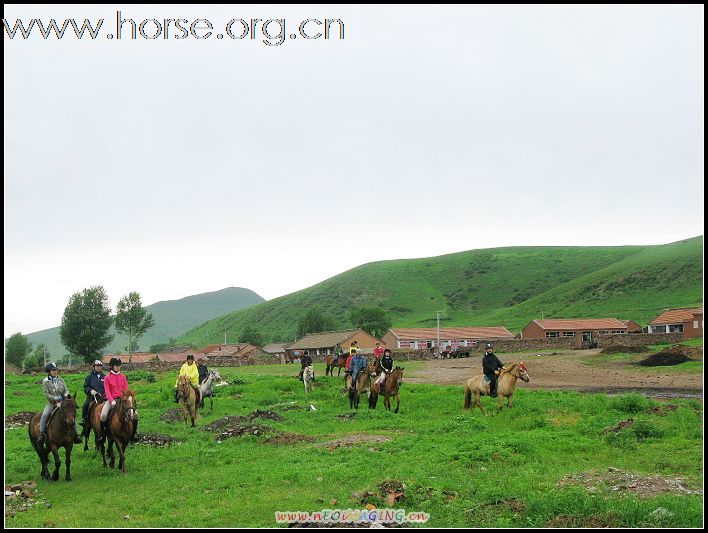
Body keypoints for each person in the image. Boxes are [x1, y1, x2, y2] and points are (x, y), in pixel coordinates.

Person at [38, 362, 81, 444]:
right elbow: (47, 394)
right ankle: (42, 433)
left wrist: (66, 395)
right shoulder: (45, 381)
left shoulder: (60, 379)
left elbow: (66, 390)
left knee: (72, 414)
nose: (55, 372)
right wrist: (55, 398)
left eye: (56, 370)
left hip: (63, 403)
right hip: (52, 403)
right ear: (49, 372)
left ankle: (76, 434)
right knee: (44, 414)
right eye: (53, 370)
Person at [100, 358, 139, 443]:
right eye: (117, 366)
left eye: (119, 365)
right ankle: (102, 435)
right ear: (112, 366)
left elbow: (126, 389)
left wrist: (127, 398)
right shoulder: (107, 377)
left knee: (135, 415)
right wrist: (111, 400)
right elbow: (107, 391)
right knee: (103, 415)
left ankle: (133, 434)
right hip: (112, 400)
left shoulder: (123, 377)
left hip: (123, 400)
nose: (118, 367)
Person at [80, 359, 105, 437]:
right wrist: (90, 390)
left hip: (103, 397)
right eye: (97, 366)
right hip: (92, 397)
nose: (98, 368)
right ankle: (85, 421)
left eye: (100, 366)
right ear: (93, 367)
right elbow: (85, 386)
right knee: (86, 405)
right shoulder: (89, 377)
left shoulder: (105, 377)